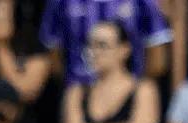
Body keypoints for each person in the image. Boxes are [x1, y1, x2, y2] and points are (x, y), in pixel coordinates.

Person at [61, 20, 161, 123]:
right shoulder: (76, 91)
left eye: (102, 45)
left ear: (124, 50)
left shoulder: (143, 89)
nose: (93, 52)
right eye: (90, 45)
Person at [39, 0, 170, 85]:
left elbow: (157, 62)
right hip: (77, 95)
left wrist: (134, 93)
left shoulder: (143, 3)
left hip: (130, 97)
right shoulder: (60, 3)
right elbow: (53, 57)